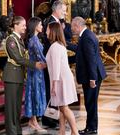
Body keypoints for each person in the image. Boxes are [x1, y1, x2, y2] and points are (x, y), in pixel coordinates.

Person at [2, 16, 45, 135]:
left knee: (16, 107)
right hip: (12, 76)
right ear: (16, 25)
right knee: (11, 108)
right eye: (23, 25)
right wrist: (34, 64)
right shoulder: (11, 40)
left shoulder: (19, 39)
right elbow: (18, 58)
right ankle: (12, 132)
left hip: (18, 76)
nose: (25, 28)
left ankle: (17, 131)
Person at [67, 16, 107, 134]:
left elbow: (91, 60)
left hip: (92, 76)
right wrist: (66, 44)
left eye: (72, 27)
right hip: (92, 74)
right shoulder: (86, 35)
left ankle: (92, 128)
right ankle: (91, 127)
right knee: (90, 102)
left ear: (77, 26)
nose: (72, 29)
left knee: (91, 103)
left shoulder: (86, 37)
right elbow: (80, 50)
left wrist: (92, 78)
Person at [46, 22, 78, 135]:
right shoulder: (59, 44)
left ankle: (75, 132)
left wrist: (54, 85)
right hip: (62, 78)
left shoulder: (55, 47)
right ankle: (62, 131)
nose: (46, 32)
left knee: (64, 108)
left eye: (48, 30)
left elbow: (56, 68)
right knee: (62, 106)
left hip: (60, 80)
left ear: (53, 31)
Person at [41, 0, 67, 128]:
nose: (65, 12)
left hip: (56, 59)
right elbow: (49, 42)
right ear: (56, 9)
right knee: (50, 89)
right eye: (63, 10)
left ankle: (54, 116)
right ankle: (48, 117)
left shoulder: (58, 22)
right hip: (51, 61)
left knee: (55, 91)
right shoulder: (50, 22)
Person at [24, 17, 47, 132]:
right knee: (35, 95)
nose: (42, 26)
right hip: (35, 72)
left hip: (37, 72)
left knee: (34, 94)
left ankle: (32, 121)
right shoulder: (34, 40)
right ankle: (34, 121)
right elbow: (41, 58)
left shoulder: (35, 39)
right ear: (35, 26)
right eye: (40, 24)